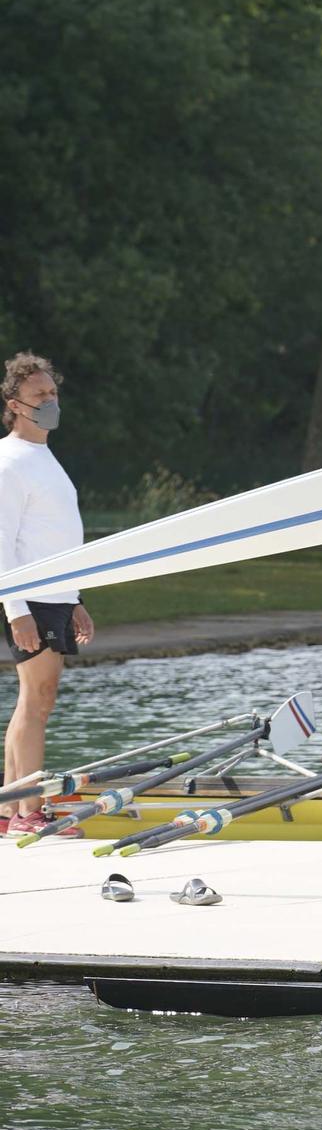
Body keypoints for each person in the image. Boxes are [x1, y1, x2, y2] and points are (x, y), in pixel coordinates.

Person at [0, 352, 92, 836]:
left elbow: (54, 534)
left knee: (36, 700)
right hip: (27, 597)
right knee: (38, 698)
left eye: (53, 393)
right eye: (40, 396)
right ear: (15, 403)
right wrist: (17, 610)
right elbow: (1, 541)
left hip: (55, 595)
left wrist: (74, 598)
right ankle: (28, 813)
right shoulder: (8, 460)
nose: (50, 401)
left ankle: (9, 809)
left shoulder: (45, 457)